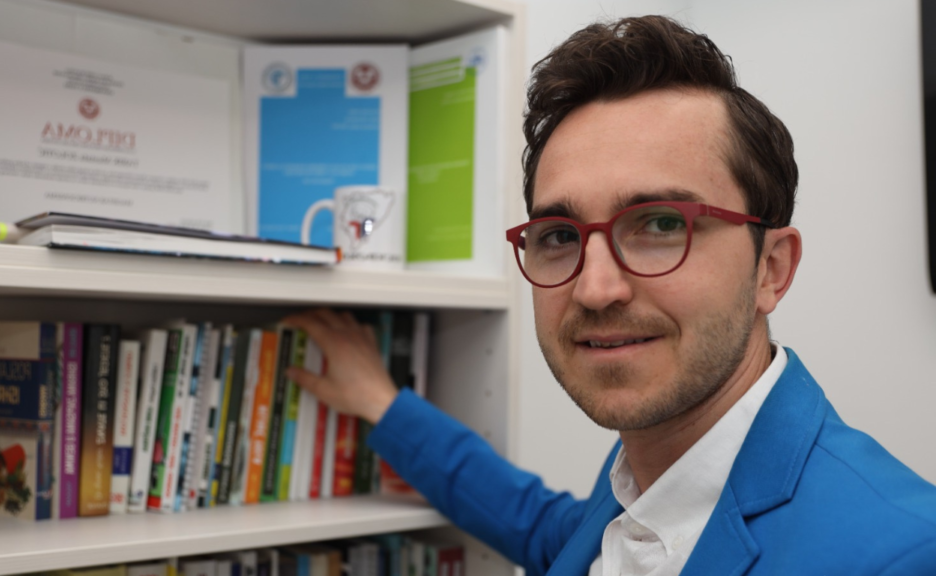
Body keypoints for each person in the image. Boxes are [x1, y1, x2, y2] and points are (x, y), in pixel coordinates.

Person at [284, 15, 936, 576]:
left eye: (661, 225)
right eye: (559, 235)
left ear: (771, 268)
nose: (595, 289)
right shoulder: (645, 475)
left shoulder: (905, 554)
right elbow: (547, 530)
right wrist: (384, 404)